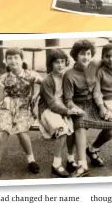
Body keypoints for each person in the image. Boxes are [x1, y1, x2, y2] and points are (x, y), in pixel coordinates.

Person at [0, 48, 43, 178]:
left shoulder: (30, 75)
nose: (13, 61)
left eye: (16, 58)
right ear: (6, 61)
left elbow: (45, 84)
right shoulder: (4, 78)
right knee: (4, 130)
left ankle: (31, 159)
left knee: (21, 132)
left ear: (22, 59)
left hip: (23, 107)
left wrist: (36, 95)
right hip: (7, 107)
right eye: (10, 58)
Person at [63, 40, 112, 177]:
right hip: (78, 105)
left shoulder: (93, 67)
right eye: (82, 54)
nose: (86, 57)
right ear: (75, 55)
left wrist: (102, 108)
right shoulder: (68, 75)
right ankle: (82, 166)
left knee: (111, 128)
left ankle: (92, 149)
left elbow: (97, 92)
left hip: (94, 103)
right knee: (80, 125)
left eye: (88, 54)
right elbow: (68, 99)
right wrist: (74, 108)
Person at [37, 49, 82, 177]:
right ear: (51, 64)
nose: (60, 65)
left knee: (72, 129)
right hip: (47, 109)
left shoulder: (65, 76)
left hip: (61, 107)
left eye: (62, 62)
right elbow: (51, 104)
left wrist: (72, 108)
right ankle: (56, 164)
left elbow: (69, 96)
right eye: (57, 62)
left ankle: (70, 160)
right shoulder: (47, 81)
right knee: (62, 130)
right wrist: (67, 111)